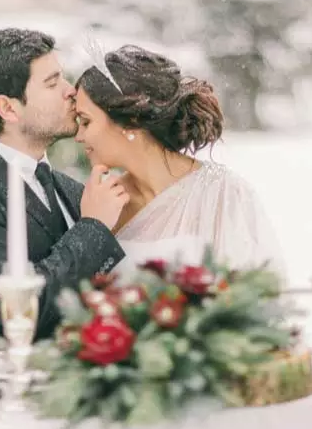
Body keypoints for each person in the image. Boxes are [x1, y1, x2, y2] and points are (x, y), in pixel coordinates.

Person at [0, 28, 129, 339]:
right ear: (8, 108)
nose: (71, 91)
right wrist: (93, 227)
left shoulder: (72, 189)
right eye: (52, 83)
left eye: (63, 78)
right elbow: (17, 313)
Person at [74, 44, 287, 283]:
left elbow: (258, 295)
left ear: (130, 122)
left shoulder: (224, 194)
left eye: (85, 121)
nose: (78, 136)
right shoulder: (101, 204)